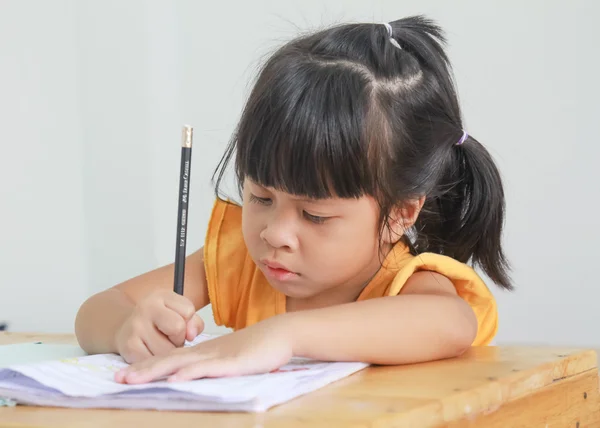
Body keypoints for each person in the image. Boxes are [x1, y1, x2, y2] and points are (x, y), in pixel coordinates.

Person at [74, 15, 512, 384]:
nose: (275, 233)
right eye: (261, 197)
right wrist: (126, 329)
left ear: (401, 213)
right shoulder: (240, 264)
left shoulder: (407, 284)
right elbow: (96, 312)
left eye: (314, 215)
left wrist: (283, 334)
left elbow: (452, 324)